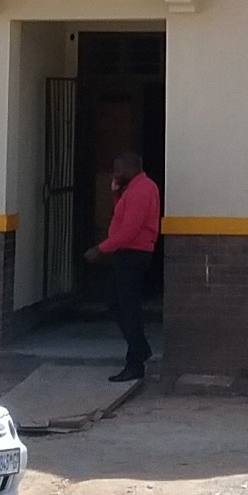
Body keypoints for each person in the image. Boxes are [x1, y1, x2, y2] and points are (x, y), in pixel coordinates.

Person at [83, 152, 160, 383]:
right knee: (119, 305)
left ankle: (136, 359)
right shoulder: (133, 189)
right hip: (126, 253)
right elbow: (121, 217)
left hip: (133, 254)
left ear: (131, 168)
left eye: (118, 170)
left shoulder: (141, 190)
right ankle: (139, 350)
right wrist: (116, 194)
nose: (115, 174)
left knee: (127, 308)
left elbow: (129, 231)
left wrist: (100, 249)